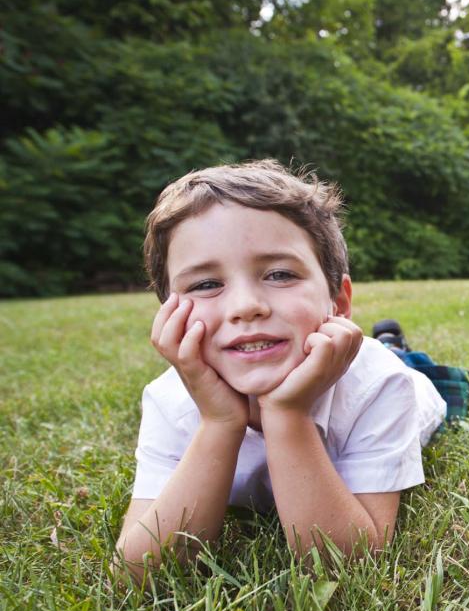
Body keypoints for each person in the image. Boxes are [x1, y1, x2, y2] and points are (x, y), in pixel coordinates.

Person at [115, 160, 445, 582]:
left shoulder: (379, 385)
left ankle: (395, 345)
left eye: (280, 274)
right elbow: (139, 575)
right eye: (205, 284)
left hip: (418, 393)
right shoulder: (168, 401)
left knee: (420, 370)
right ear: (169, 314)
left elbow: (350, 566)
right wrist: (220, 421)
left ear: (338, 301)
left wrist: (287, 413)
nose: (246, 306)